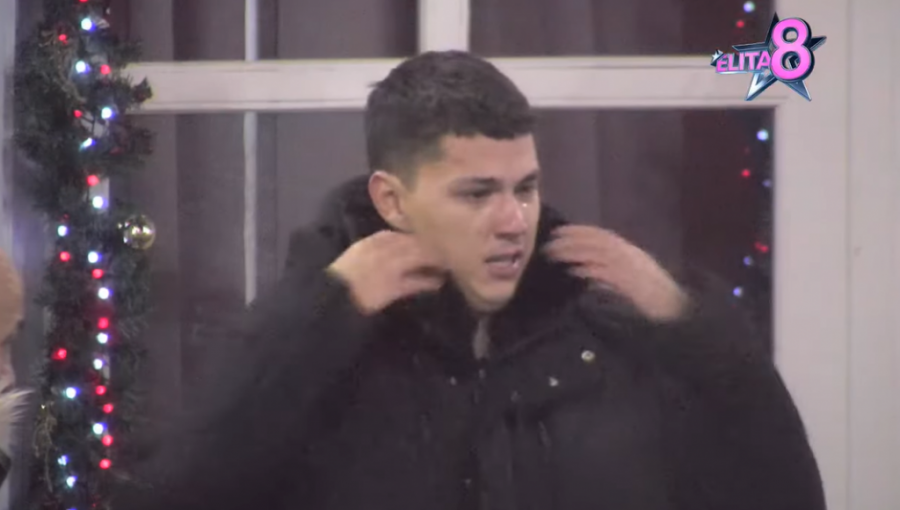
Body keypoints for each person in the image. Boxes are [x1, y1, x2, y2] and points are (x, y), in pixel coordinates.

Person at [137, 50, 825, 510]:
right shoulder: (316, 344)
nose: (514, 221)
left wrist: (691, 330)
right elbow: (183, 493)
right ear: (392, 200)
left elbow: (783, 493)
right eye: (477, 194)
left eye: (526, 188)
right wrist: (313, 318)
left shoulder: (604, 326)